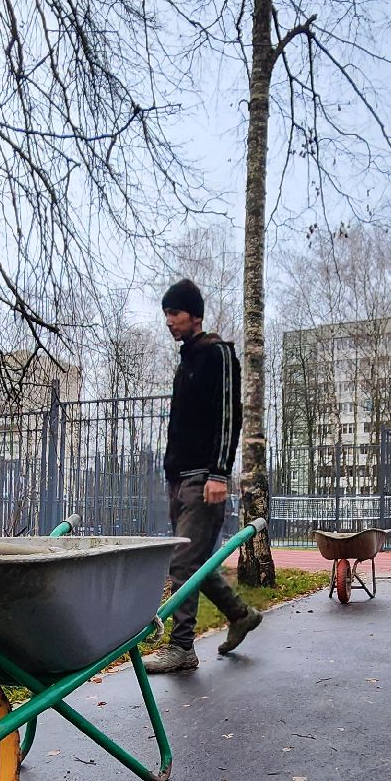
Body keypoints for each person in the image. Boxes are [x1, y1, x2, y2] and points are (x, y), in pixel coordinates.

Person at [144, 279, 263, 674]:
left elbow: (229, 417)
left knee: (182, 564)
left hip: (204, 480)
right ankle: (240, 614)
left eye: (174, 312)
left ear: (194, 315)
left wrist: (219, 474)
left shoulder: (218, 355)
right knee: (195, 563)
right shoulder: (187, 362)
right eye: (165, 313)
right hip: (179, 479)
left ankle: (182, 647)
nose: (168, 321)